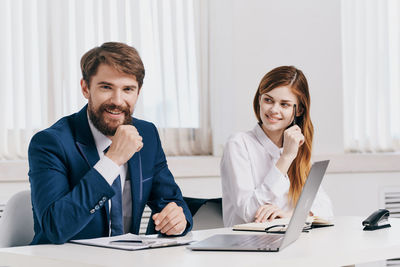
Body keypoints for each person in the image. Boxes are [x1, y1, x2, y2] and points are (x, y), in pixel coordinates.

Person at [28, 42, 192, 244]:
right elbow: (56, 227)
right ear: (86, 88)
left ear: (138, 92)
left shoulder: (146, 134)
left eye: (128, 89)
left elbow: (172, 202)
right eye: (106, 87)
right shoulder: (50, 143)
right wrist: (112, 160)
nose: (117, 100)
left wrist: (178, 220)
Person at [220, 66, 333, 227]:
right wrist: (285, 158)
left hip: (288, 243)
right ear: (259, 99)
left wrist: (288, 216)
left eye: (285, 104)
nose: (274, 110)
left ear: (299, 110)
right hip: (246, 246)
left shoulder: (295, 147)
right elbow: (249, 213)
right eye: (268, 100)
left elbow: (326, 210)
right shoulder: (238, 144)